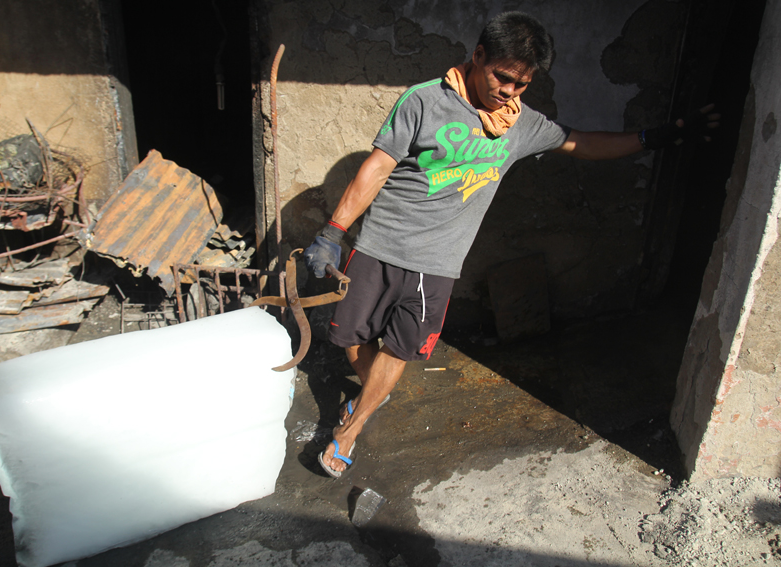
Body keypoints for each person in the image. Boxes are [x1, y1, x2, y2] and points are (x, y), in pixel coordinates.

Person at [303, 11, 718, 478]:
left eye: (522, 84)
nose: (509, 91)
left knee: (400, 350)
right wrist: (333, 231)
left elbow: (581, 143)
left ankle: (350, 430)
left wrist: (655, 137)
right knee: (350, 339)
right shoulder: (423, 101)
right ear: (478, 56)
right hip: (380, 245)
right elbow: (377, 167)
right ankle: (370, 392)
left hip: (437, 264)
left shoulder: (519, 125)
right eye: (502, 77)